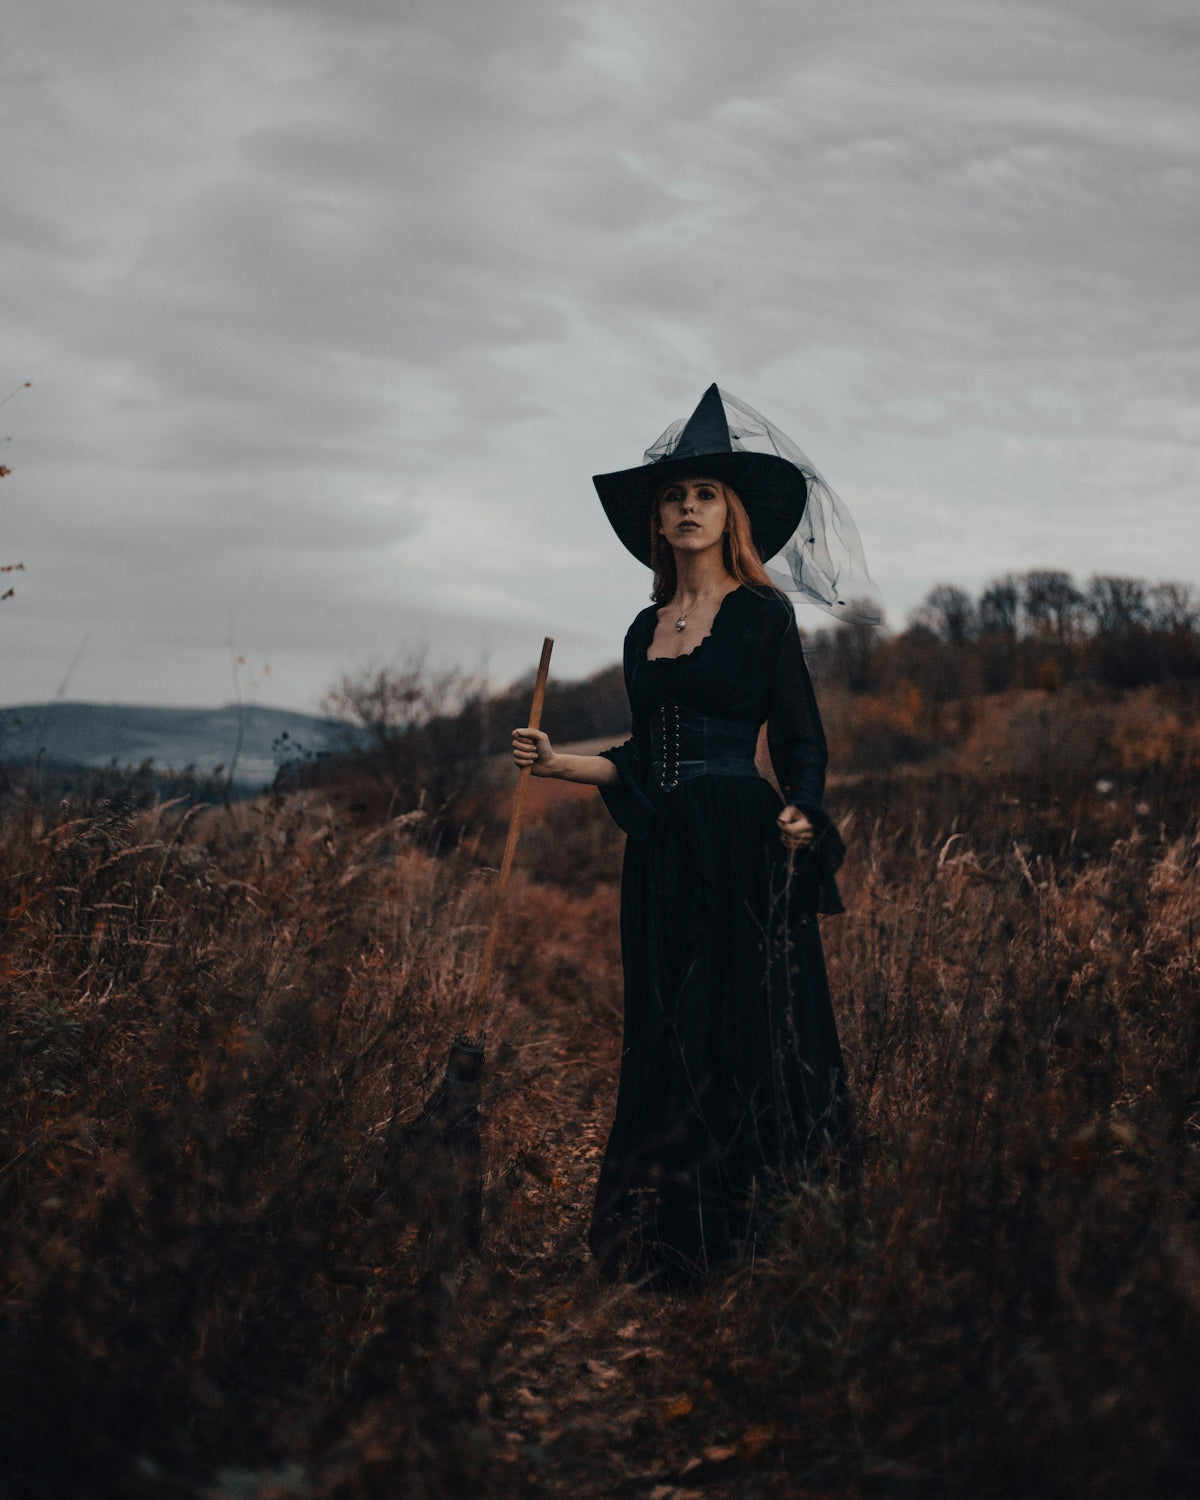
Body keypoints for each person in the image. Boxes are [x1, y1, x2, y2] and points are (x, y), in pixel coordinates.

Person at [512, 384, 880, 1285]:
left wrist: (801, 803)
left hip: (744, 843)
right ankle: (665, 1236)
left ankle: (757, 1231)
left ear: (732, 515)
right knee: (666, 1023)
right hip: (663, 854)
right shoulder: (644, 631)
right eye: (674, 496)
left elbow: (799, 735)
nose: (686, 508)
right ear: (658, 519)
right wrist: (560, 764)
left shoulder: (763, 617)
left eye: (705, 495)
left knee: (746, 1024)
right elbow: (642, 757)